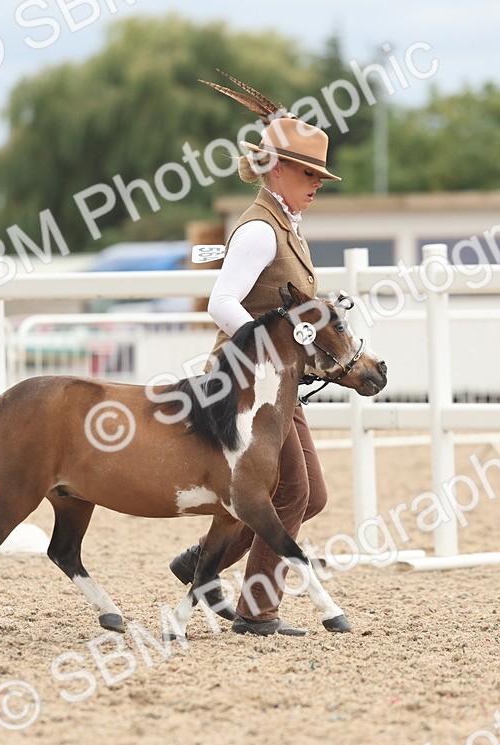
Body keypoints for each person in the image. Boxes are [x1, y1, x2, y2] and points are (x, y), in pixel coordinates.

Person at [167, 73, 341, 636]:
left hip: (273, 380)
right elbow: (222, 302)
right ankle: (257, 611)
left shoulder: (287, 224)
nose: (315, 185)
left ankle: (202, 562)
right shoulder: (260, 231)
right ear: (275, 170)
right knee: (293, 492)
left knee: (309, 494)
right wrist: (275, 351)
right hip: (249, 380)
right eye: (307, 174)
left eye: (318, 175)